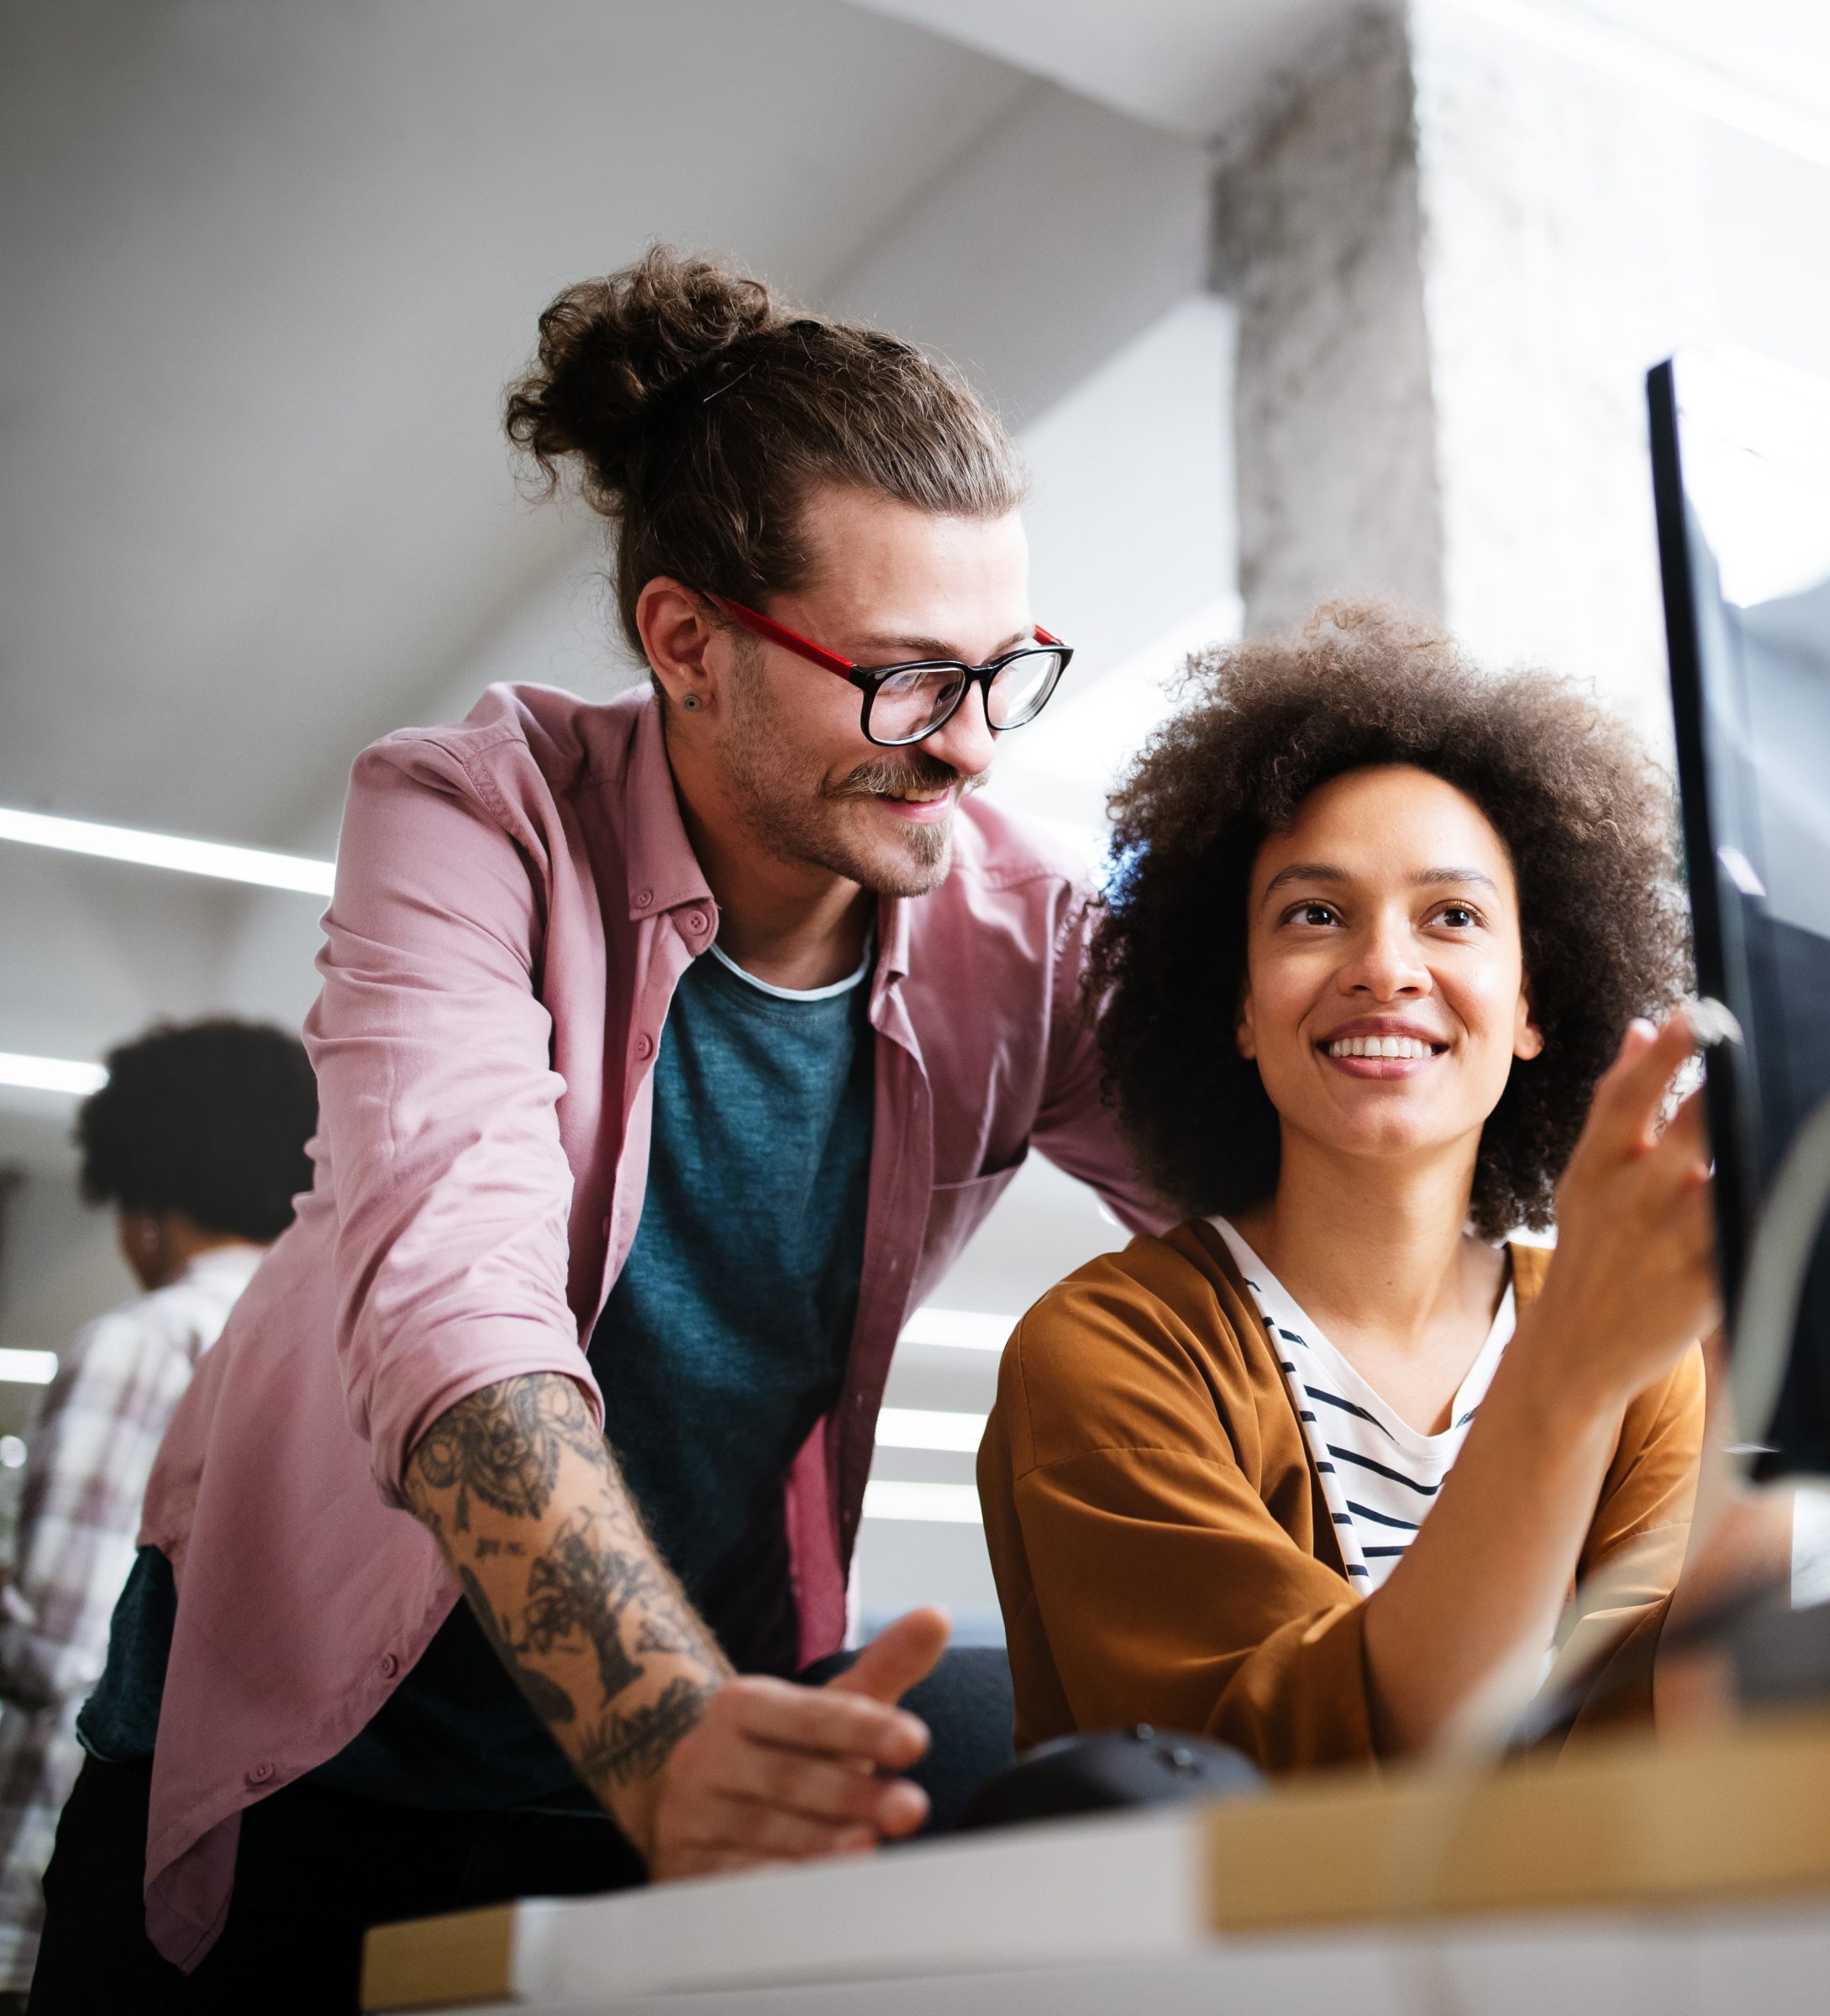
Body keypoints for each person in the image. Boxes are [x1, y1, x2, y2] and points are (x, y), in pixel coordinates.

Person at [31, 248, 1161, 2010]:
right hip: (318, 1747)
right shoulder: (474, 819)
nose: (972, 754)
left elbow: (1284, 1221)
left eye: (1005, 671)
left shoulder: (1025, 934)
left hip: (667, 1771)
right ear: (688, 643)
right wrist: (659, 1727)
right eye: (904, 682)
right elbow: (452, 1296)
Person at [978, 603, 1715, 1764]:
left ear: (1535, 1003)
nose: (1385, 967)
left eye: (1454, 916)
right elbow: (1332, 1765)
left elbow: (1672, 1740)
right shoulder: (1108, 1353)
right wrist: (1568, 1373)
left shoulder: (1647, 1361)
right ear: (1235, 1002)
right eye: (1315, 915)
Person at [0, 1021, 314, 2009]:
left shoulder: (140, 1341)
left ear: (141, 1210)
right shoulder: (324, 1351)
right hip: (221, 1869)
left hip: (58, 1854)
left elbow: (51, 1649)